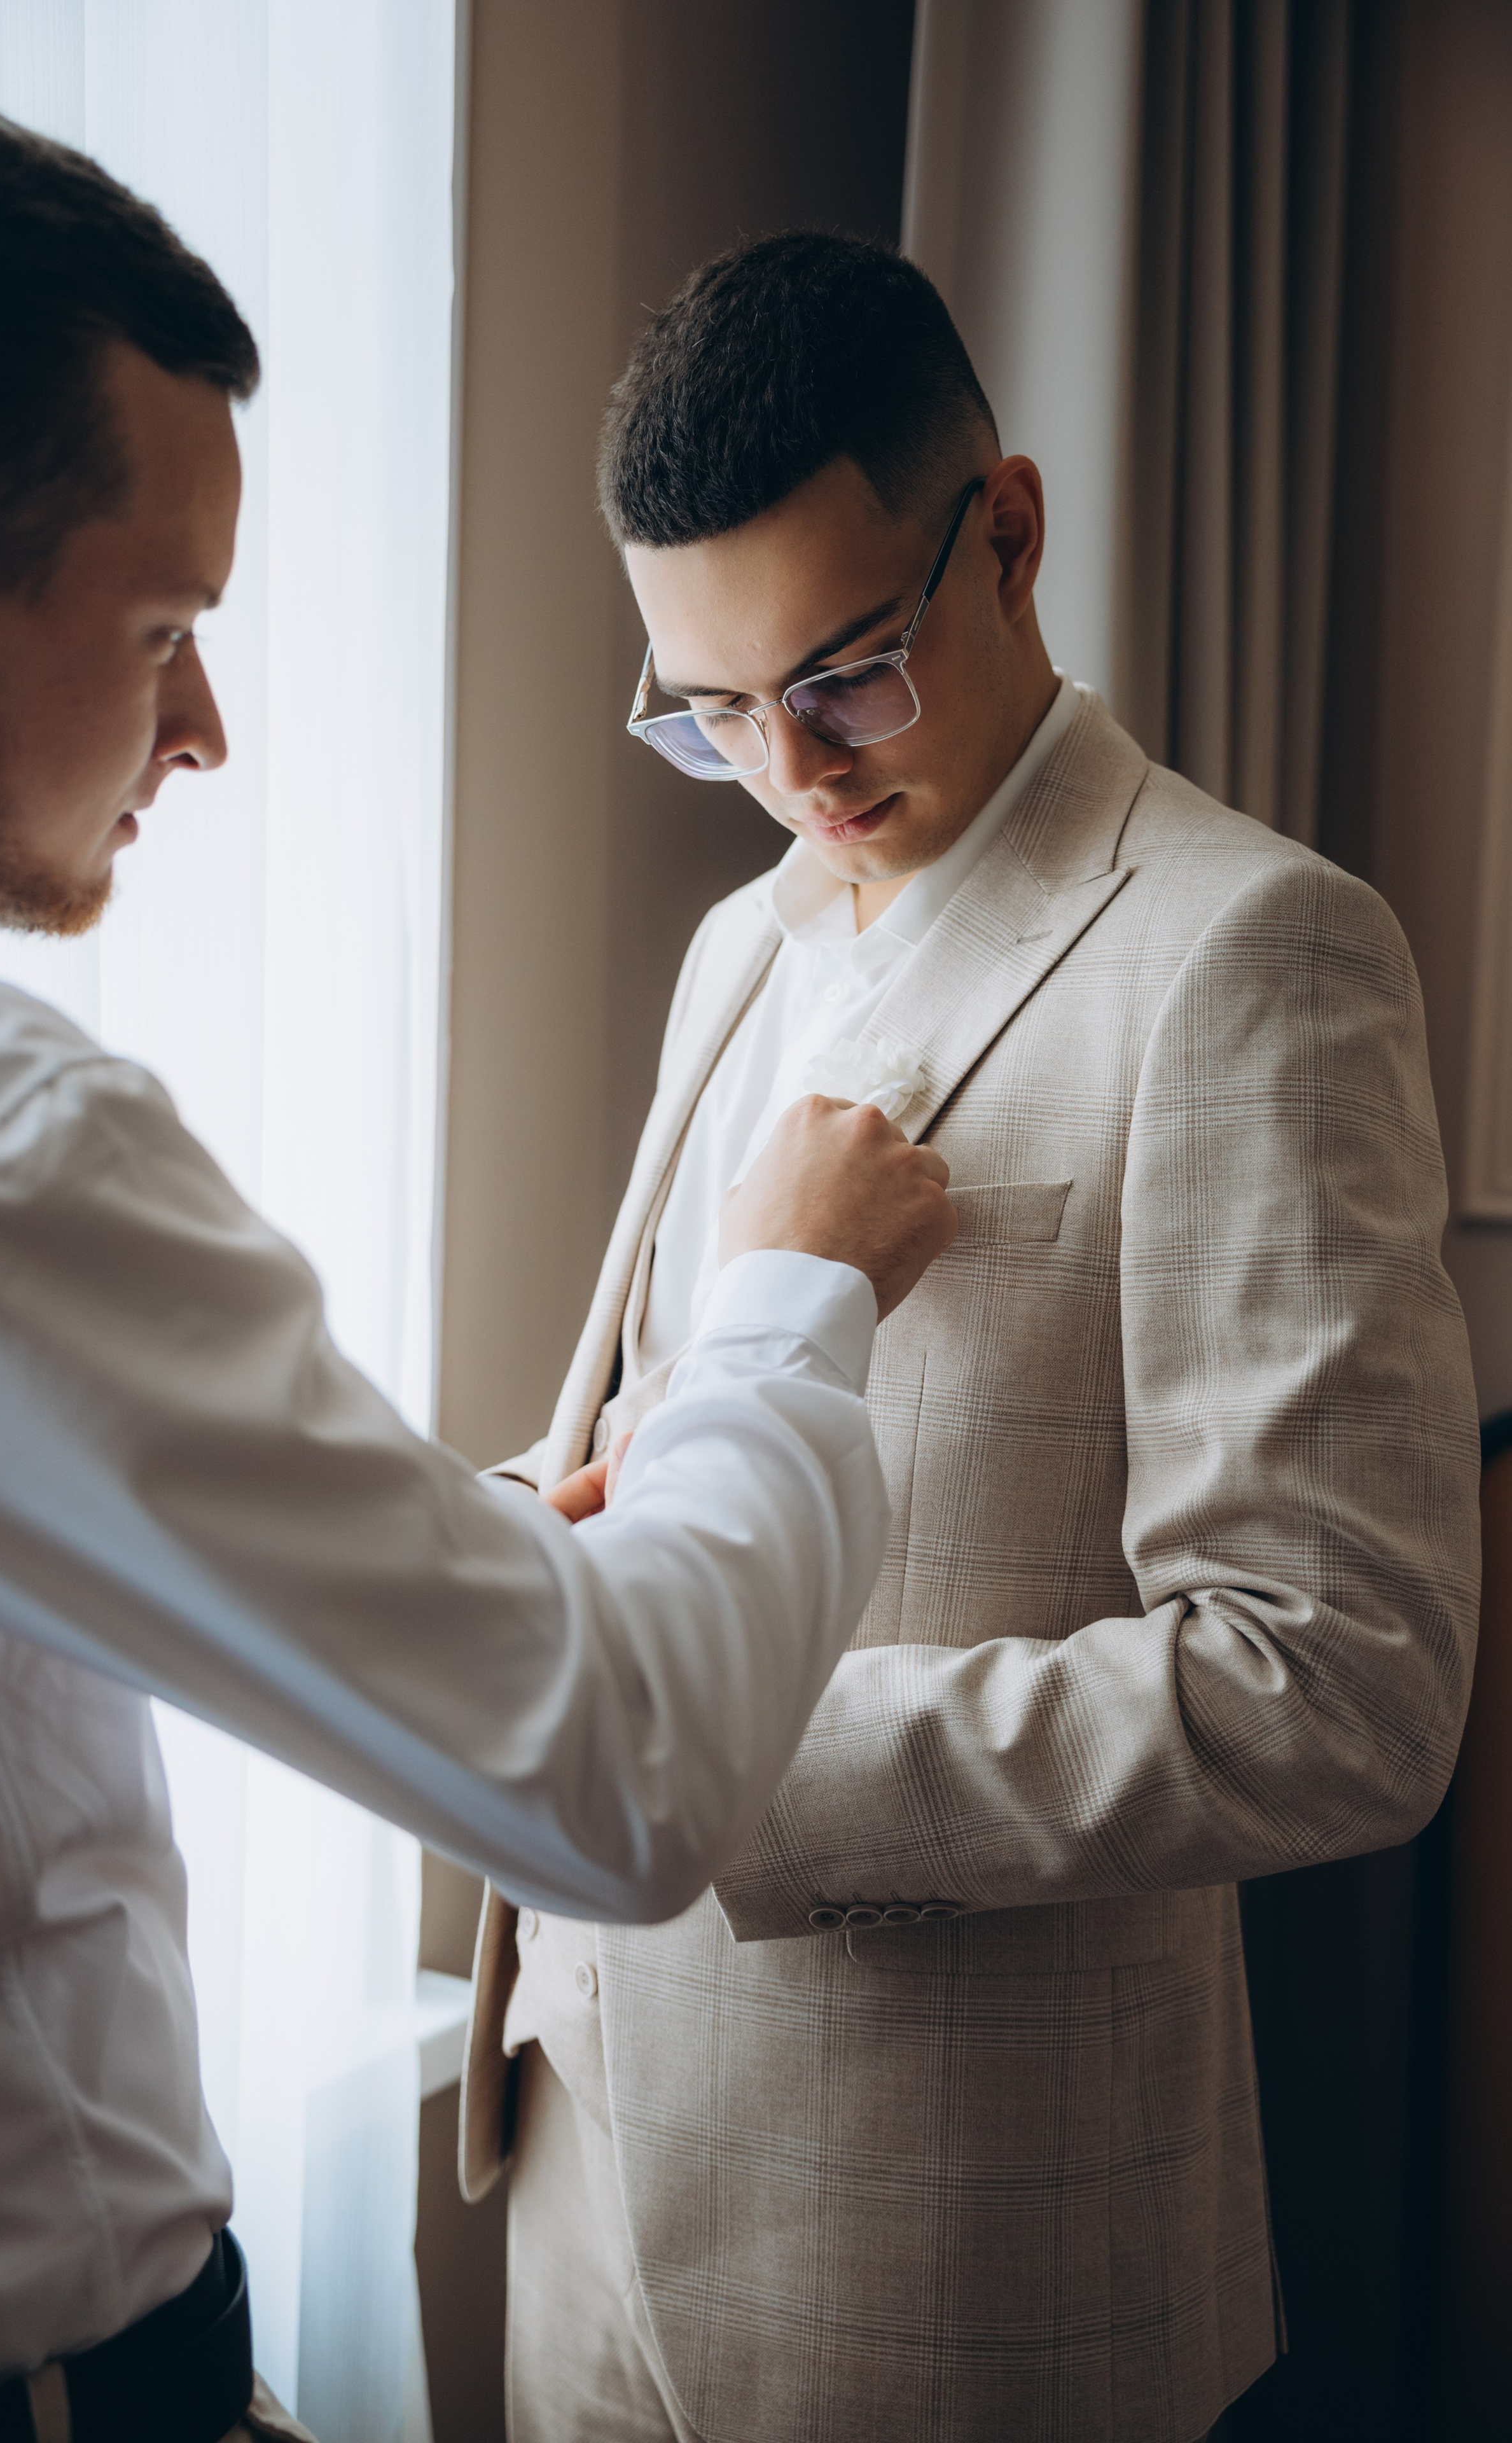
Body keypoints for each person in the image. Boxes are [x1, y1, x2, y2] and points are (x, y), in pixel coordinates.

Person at [0, 99, 958, 2442]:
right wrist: (787, 1308)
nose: (207, 724)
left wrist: (450, 1550)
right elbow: (620, 1771)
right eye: (164, 622)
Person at [462, 232, 1483, 2443]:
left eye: (844, 674)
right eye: (709, 711)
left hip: (946, 2246)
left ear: (1006, 531)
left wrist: (738, 1763)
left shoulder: (1256, 956)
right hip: (582, 2165)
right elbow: (691, 1428)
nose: (792, 773)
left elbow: (1343, 1686)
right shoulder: (740, 938)